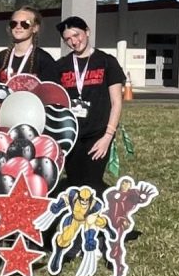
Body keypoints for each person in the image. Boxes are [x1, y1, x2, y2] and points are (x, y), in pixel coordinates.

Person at [54, 16, 126, 194]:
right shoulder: (61, 65)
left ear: (87, 32)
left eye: (77, 35)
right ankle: (75, 220)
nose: (74, 42)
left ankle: (97, 220)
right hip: (71, 136)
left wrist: (108, 136)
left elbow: (117, 103)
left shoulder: (107, 62)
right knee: (74, 183)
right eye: (68, 39)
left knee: (92, 184)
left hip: (98, 135)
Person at [0, 6, 57, 83]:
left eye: (25, 24)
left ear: (35, 28)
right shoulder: (1, 57)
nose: (18, 27)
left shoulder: (43, 59)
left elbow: (50, 90)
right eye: (14, 23)